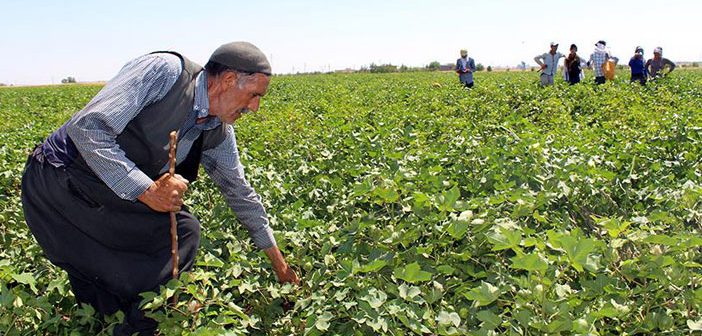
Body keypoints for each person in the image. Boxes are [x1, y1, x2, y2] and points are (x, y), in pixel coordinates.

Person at [21, 42, 299, 335]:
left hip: (102, 193)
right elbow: (87, 128)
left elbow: (240, 193)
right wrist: (148, 190)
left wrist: (280, 266)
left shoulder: (216, 130)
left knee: (106, 308)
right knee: (181, 229)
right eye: (254, 95)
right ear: (229, 80)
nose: (254, 108)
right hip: (56, 180)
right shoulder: (165, 72)